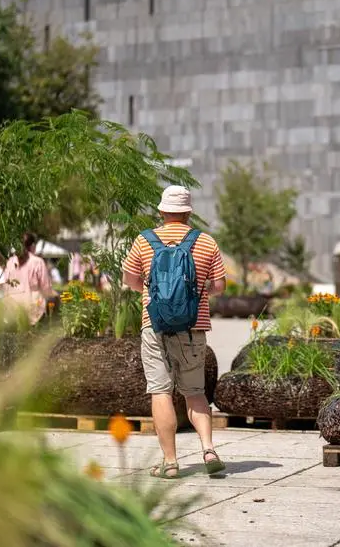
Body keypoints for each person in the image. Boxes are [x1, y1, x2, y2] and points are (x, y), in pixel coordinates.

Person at [122, 185, 227, 479]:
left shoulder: (144, 241)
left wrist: (152, 287)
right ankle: (208, 449)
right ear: (188, 212)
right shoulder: (206, 242)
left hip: (154, 325)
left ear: (161, 211)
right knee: (195, 392)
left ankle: (170, 462)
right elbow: (219, 286)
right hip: (194, 327)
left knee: (160, 392)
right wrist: (199, 289)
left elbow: (129, 280)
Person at [3, 233, 54, 324]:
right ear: (33, 246)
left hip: (12, 312)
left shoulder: (10, 262)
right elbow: (46, 287)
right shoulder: (38, 262)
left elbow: (6, 286)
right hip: (33, 312)